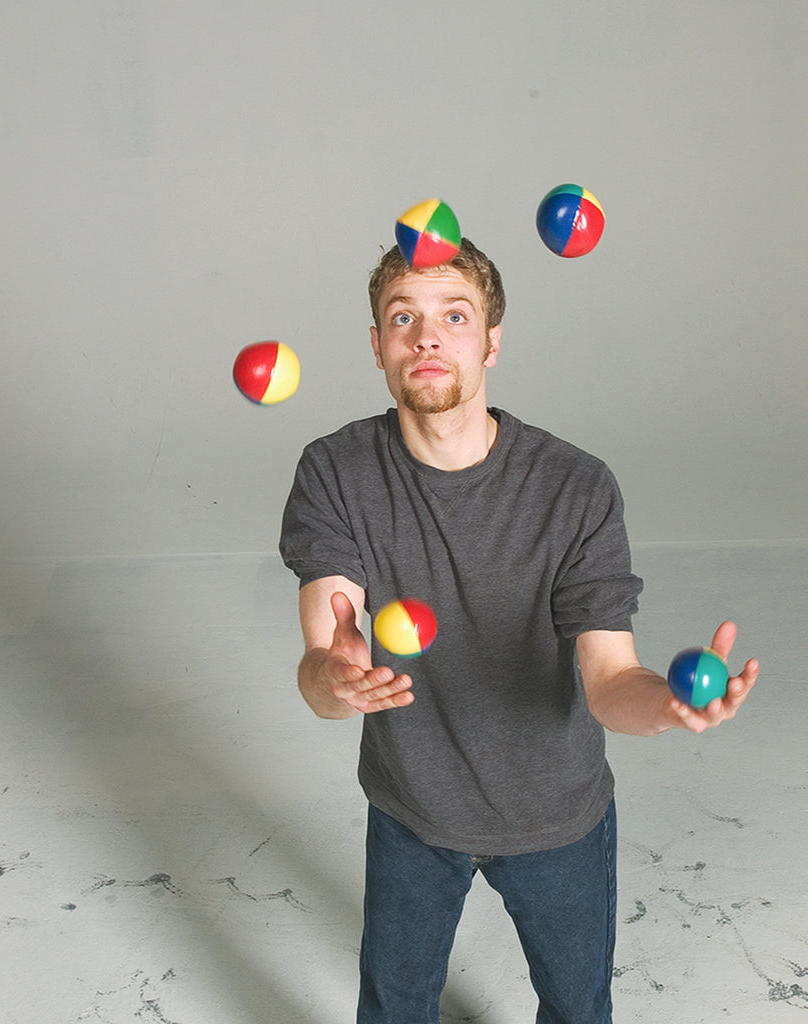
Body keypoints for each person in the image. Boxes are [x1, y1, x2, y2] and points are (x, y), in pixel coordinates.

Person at [279, 238, 759, 1024]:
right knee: (394, 1010)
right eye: (404, 317)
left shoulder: (575, 486)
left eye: (454, 316)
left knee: (578, 1011)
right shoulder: (337, 472)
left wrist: (669, 707)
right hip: (412, 809)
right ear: (377, 346)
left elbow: (610, 681)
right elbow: (324, 670)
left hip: (555, 815)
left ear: (492, 341)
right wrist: (336, 680)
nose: (427, 336)